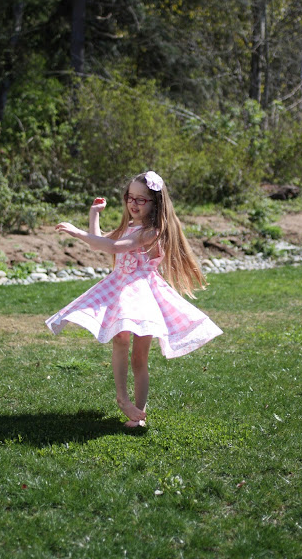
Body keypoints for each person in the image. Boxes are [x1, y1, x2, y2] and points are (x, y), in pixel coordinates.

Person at [46, 171, 223, 427]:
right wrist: (94, 214)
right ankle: (122, 398)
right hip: (120, 288)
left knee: (140, 356)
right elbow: (100, 243)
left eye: (141, 199)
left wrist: (77, 233)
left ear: (155, 203)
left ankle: (139, 412)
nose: (134, 203)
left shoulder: (152, 231)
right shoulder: (127, 228)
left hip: (143, 293)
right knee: (120, 339)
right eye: (130, 197)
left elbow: (114, 247)